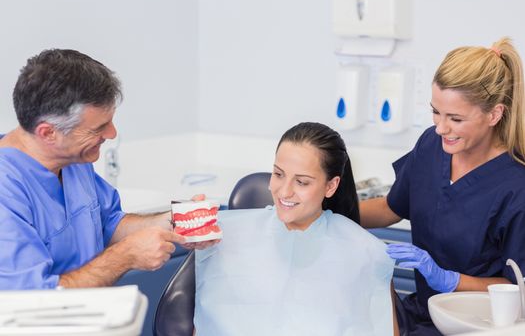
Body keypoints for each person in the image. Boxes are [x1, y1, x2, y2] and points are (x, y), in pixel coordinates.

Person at [0, 49, 216, 289]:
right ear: (48, 133)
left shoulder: (73, 160)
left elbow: (108, 224)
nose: (112, 134)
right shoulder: (7, 190)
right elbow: (32, 299)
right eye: (98, 128)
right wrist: (124, 257)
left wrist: (173, 221)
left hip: (95, 318)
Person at [360, 37, 525, 335]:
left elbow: (517, 291)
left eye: (455, 118)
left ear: (494, 114)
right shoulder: (431, 145)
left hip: (474, 325)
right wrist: (324, 209)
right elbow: (389, 207)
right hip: (419, 312)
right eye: (436, 111)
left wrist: (449, 280)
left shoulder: (516, 188)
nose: (440, 127)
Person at [194, 122, 399, 335]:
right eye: (278, 174)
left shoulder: (365, 252)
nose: (284, 192)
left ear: (331, 186)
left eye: (301, 182)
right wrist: (188, 223)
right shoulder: (226, 236)